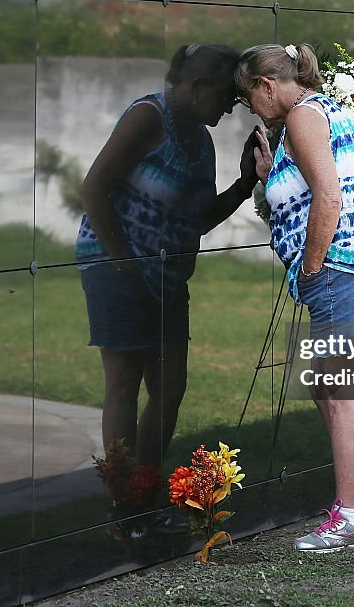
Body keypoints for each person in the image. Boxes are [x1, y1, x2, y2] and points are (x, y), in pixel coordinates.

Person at [237, 42, 354, 552]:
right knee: (328, 388)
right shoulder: (320, 111)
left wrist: (311, 267)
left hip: (341, 267)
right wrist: (270, 176)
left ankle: (348, 516)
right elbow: (310, 192)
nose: (251, 110)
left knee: (338, 391)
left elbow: (328, 197)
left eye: (249, 99)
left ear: (268, 85)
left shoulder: (305, 117)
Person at [76, 43, 260, 482]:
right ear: (197, 86)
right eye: (226, 97)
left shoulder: (201, 140)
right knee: (124, 384)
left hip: (166, 275)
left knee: (169, 388)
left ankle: (145, 490)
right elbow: (93, 187)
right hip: (116, 266)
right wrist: (124, 261)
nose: (231, 110)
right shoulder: (147, 117)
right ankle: (124, 501)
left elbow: (194, 220)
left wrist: (244, 184)